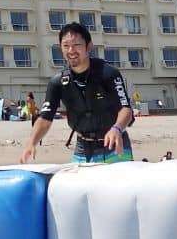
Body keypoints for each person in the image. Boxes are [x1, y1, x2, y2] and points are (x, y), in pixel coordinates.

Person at [20, 23, 134, 164]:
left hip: (115, 143)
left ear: (89, 46)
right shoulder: (58, 82)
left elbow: (126, 109)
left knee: (118, 185)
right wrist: (31, 143)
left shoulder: (109, 73)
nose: (71, 50)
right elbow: (45, 118)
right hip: (82, 147)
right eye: (66, 45)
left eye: (77, 45)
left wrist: (117, 128)